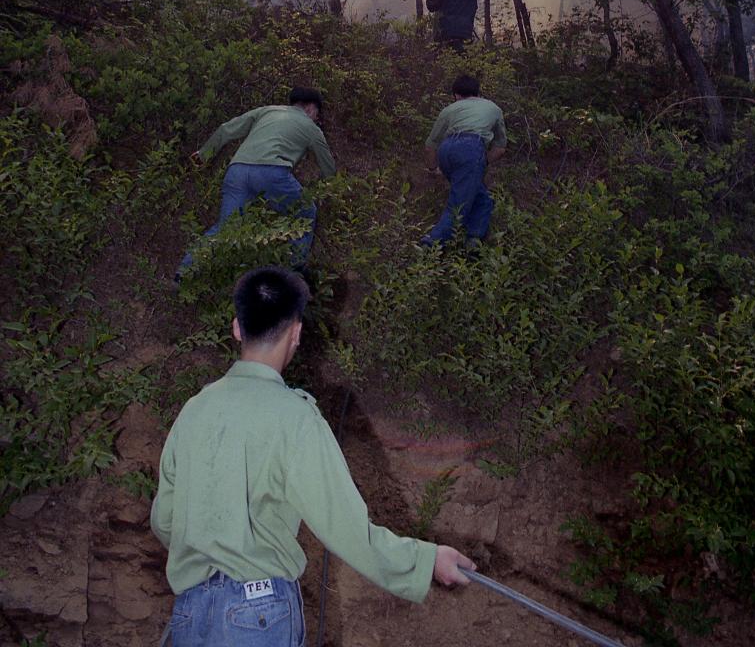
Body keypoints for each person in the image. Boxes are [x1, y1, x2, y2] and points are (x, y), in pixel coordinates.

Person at [151, 266, 475, 645]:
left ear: (237, 327)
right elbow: (345, 526)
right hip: (255, 617)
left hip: (191, 614)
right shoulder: (295, 418)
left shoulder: (194, 410)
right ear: (296, 333)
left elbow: (165, 521)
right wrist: (423, 561)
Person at [177, 87, 334, 279]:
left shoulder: (266, 110)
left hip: (237, 171)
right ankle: (294, 270)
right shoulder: (312, 128)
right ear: (311, 108)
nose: (317, 118)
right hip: (271, 173)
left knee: (226, 228)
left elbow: (227, 129)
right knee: (306, 211)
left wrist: (203, 154)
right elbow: (328, 167)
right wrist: (331, 191)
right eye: (317, 114)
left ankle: (183, 273)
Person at [420, 74, 507, 250]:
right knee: (460, 200)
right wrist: (482, 161)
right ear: (478, 92)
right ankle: (432, 242)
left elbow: (430, 146)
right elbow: (500, 148)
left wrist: (433, 168)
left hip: (446, 149)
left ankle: (474, 238)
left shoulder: (449, 109)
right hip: (471, 148)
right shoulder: (494, 108)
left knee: (481, 197)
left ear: (456, 95)